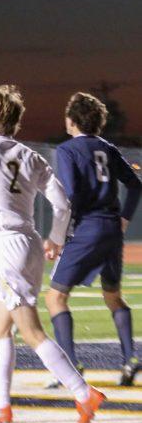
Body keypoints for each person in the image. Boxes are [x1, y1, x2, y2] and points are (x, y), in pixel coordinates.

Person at [0, 84, 104, 423]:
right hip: (29, 242)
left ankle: (83, 392)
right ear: (17, 123)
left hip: (5, 247)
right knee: (0, 326)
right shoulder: (32, 156)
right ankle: (1, 405)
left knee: (31, 332)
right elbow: (62, 204)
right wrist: (56, 239)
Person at [44, 92, 141, 387]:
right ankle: (130, 359)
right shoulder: (108, 148)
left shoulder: (67, 150)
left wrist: (59, 236)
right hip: (112, 229)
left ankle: (71, 366)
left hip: (88, 228)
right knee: (113, 296)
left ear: (70, 121)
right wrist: (123, 218)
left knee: (55, 297)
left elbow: (72, 195)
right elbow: (136, 184)